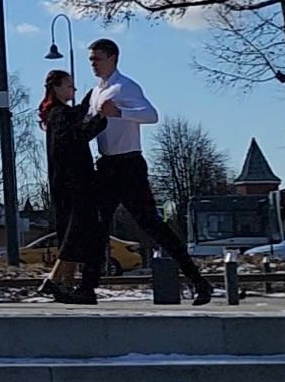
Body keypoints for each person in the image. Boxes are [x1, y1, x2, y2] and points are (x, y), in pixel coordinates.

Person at [84, 38, 212, 305]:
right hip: (106, 165)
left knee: (152, 226)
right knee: (96, 227)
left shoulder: (125, 86)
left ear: (113, 58)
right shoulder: (96, 91)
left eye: (97, 58)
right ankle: (87, 288)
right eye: (91, 59)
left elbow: (151, 114)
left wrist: (119, 111)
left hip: (128, 165)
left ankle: (199, 282)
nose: (93, 64)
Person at [37, 69, 107, 304]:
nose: (73, 90)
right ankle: (55, 280)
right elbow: (78, 137)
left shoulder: (56, 114)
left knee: (73, 231)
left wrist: (91, 98)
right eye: (69, 85)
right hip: (75, 183)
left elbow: (76, 117)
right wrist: (101, 120)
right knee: (76, 232)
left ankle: (65, 283)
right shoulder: (60, 114)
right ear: (56, 87)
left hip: (63, 182)